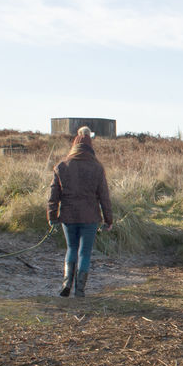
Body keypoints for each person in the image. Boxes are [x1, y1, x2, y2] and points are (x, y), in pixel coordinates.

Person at [47, 126, 113, 297]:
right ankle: (80, 290)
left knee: (71, 248)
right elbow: (104, 197)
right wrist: (108, 220)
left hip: (68, 216)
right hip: (90, 217)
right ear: (90, 146)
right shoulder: (97, 168)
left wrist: (52, 217)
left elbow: (53, 196)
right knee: (84, 252)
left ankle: (66, 283)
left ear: (74, 145)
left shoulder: (61, 166)